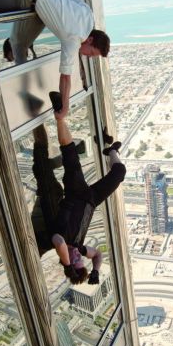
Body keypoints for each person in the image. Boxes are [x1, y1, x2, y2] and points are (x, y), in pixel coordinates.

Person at [0, 0, 110, 117]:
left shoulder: (89, 15)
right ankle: (26, 97)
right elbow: (65, 78)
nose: (88, 56)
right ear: (90, 40)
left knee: (20, 41)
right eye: (91, 53)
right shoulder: (74, 39)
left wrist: (62, 8)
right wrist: (65, 109)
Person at [46, 112, 124, 285]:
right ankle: (112, 151)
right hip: (93, 200)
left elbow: (60, 244)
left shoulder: (58, 239)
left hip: (75, 193)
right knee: (119, 173)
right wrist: (95, 270)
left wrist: (68, 265)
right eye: (80, 260)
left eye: (75, 260)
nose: (78, 256)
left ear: (67, 261)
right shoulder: (79, 248)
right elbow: (97, 254)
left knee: (70, 153)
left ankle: (60, 118)